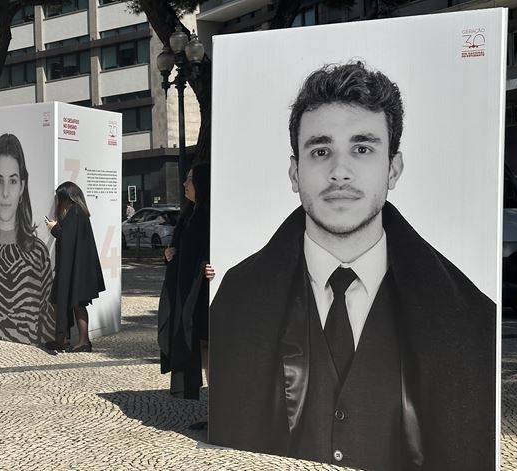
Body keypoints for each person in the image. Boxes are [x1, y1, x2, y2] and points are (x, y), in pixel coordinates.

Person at [208, 62, 495, 471]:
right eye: (320, 151)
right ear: (295, 172)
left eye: (362, 148)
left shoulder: (468, 315)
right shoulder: (237, 299)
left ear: (393, 169)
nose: (339, 172)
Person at [0, 133, 54, 345]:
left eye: (13, 181)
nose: (5, 193)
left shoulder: (38, 253)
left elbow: (47, 321)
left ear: (22, 187)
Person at [158, 162, 210, 400]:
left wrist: (213, 265)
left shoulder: (208, 214)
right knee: (199, 345)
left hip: (202, 291)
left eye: (189, 179)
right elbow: (179, 249)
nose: (184, 183)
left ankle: (218, 408)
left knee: (206, 345)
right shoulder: (190, 212)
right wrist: (168, 254)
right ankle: (213, 406)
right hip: (188, 289)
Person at [44, 181, 105, 353]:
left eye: (60, 198)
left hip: (73, 269)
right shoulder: (80, 212)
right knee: (77, 303)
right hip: (79, 268)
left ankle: (67, 339)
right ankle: (80, 340)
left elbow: (66, 240)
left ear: (66, 197)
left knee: (64, 301)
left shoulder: (74, 213)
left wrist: (54, 228)